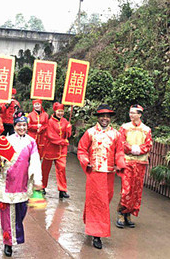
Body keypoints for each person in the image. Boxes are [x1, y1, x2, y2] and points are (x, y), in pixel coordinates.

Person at [0, 112, 43, 257]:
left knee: (19, 215)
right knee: (7, 216)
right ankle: (8, 244)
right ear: (14, 126)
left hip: (23, 184)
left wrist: (38, 180)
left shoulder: (31, 142)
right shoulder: (6, 140)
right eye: (19, 125)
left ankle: (14, 237)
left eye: (24, 125)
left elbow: (35, 161)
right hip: (7, 183)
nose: (22, 128)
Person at [77, 104, 126, 250]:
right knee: (98, 203)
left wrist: (120, 164)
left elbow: (119, 152)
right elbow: (81, 150)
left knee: (104, 201)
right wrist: (87, 162)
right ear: (98, 117)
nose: (105, 118)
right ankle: (97, 235)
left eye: (107, 116)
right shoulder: (90, 133)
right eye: (102, 116)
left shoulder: (116, 134)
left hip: (109, 174)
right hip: (94, 173)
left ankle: (91, 222)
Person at [117, 104, 153, 228]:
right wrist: (132, 149)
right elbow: (121, 142)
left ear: (140, 114)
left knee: (136, 190)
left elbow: (148, 145)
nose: (131, 115)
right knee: (126, 189)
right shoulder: (124, 127)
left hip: (141, 163)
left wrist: (138, 150)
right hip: (128, 162)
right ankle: (121, 213)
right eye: (130, 113)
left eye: (134, 113)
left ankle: (129, 214)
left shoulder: (146, 129)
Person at [41, 102, 72, 198]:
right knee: (45, 169)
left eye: (62, 111)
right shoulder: (50, 122)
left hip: (61, 150)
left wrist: (69, 129)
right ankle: (42, 187)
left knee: (61, 169)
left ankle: (62, 190)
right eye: (59, 111)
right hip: (50, 148)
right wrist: (63, 142)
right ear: (55, 111)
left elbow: (68, 135)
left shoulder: (65, 121)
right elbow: (51, 136)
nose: (60, 113)